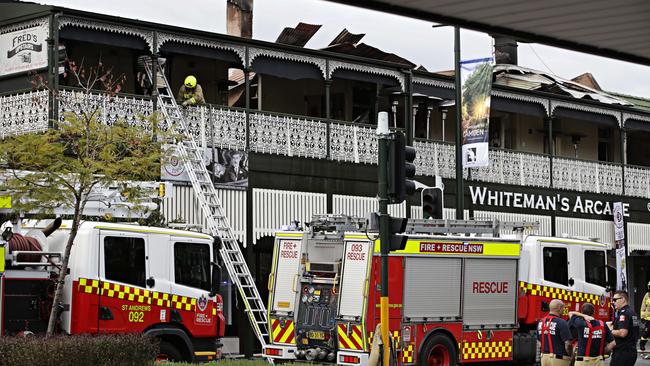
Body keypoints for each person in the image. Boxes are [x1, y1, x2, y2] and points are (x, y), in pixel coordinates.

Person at [538, 299, 573, 366]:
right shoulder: (562, 322)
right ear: (560, 308)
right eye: (563, 308)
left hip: (544, 358)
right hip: (558, 359)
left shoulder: (541, 322)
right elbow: (568, 344)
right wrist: (570, 355)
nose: (563, 311)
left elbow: (539, 343)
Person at [609, 290, 640, 365]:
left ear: (623, 299)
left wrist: (610, 330)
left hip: (622, 353)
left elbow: (622, 333)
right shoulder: (632, 312)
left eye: (615, 300)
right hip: (631, 351)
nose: (613, 302)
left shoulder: (624, 313)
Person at [640, 281, 650, 352]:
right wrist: (642, 316)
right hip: (648, 318)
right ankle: (642, 345)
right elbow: (643, 306)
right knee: (646, 332)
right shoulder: (647, 295)